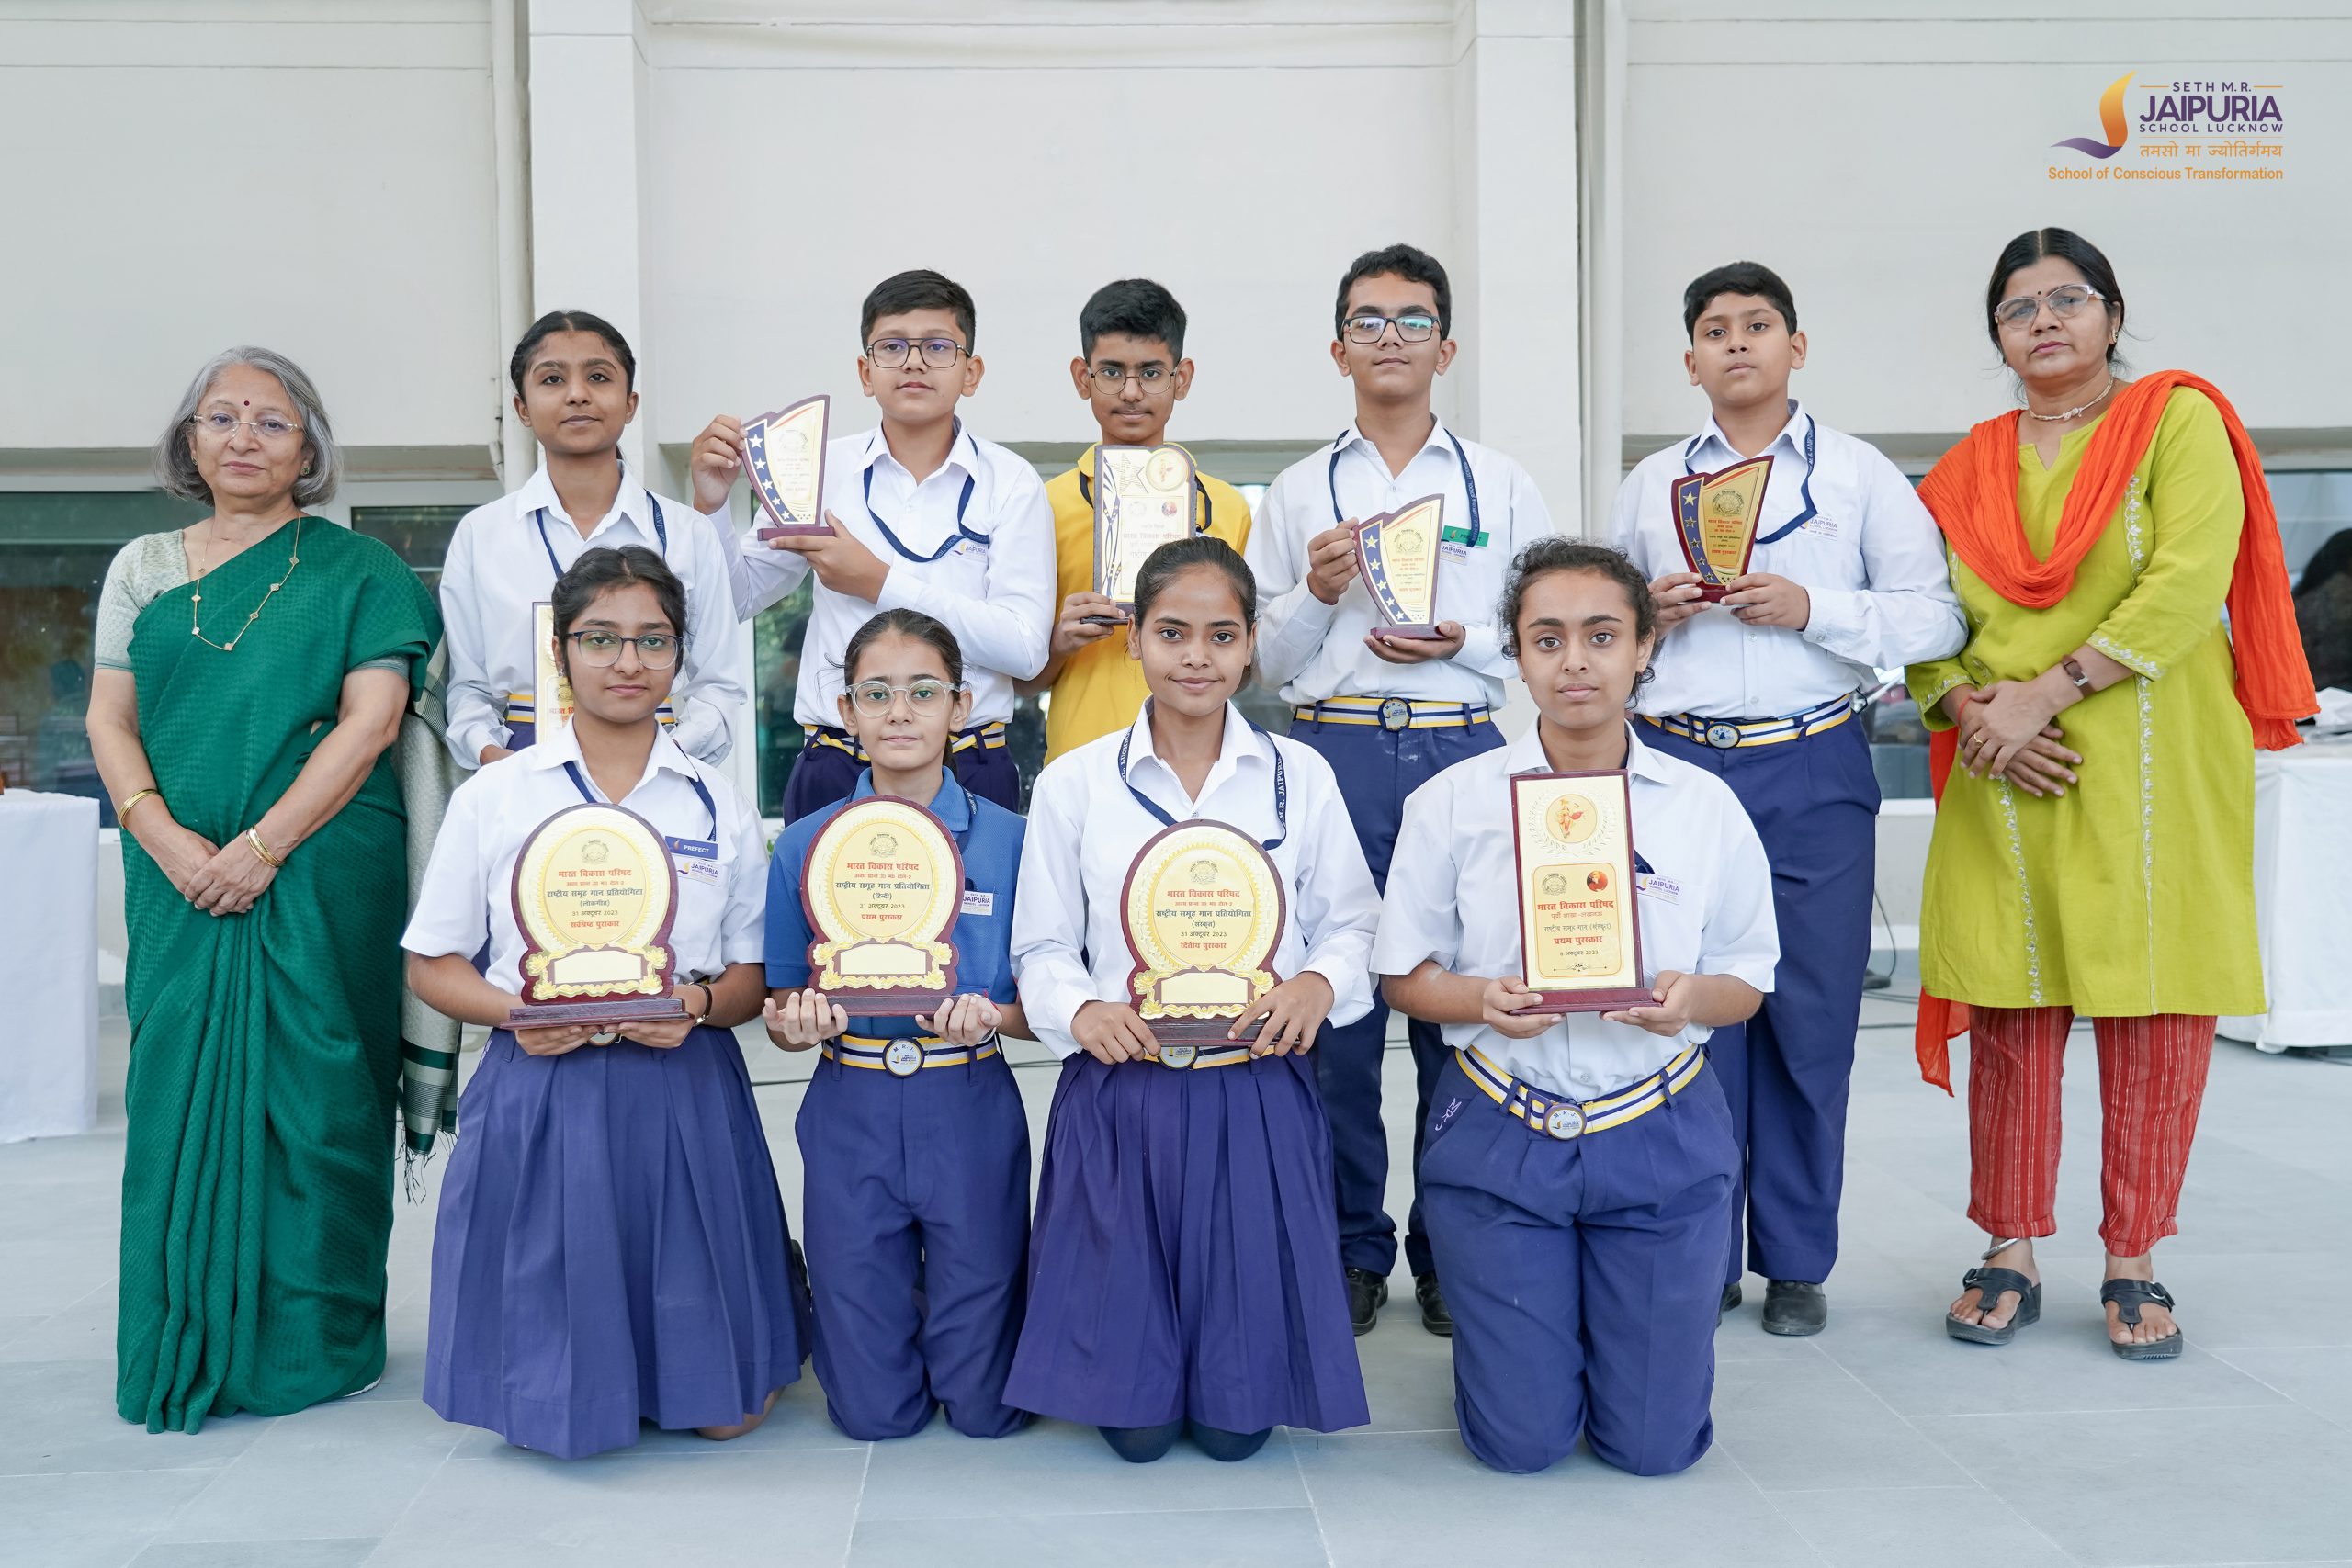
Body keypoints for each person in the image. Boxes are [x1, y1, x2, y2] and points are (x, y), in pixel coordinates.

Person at [1911, 228, 2315, 1359]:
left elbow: (2186, 581)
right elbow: (1922, 619)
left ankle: (2133, 1259)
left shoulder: (2176, 421)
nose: (2043, 320)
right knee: (2011, 1008)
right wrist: (1971, 712)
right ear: (1995, 335)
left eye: (2068, 298)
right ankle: (2008, 1248)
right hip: (2001, 765)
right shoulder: (1963, 471)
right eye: (2018, 307)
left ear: (2112, 314)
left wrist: (2043, 695)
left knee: (2155, 1011)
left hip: (2151, 759)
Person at [1607, 262, 1966, 1336]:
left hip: (1811, 763)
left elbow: (1936, 617)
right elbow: (1597, 626)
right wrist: (1649, 616)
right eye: (1714, 330)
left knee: (1809, 1018)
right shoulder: (1652, 485)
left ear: (1795, 346)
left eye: (1756, 325)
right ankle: (1701, 1249)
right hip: (1677, 769)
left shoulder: (1857, 475)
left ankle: (1798, 1261)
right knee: (1686, 1014)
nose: (1736, 344)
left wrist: (1817, 608)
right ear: (1689, 362)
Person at [87, 348, 439, 1432]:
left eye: (272, 421)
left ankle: (317, 1345)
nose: (243, 437)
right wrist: (165, 839)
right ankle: (181, 1334)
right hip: (176, 878)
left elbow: (372, 721)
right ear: (188, 439)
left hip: (322, 871)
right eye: (221, 417)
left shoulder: (360, 570)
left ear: (310, 449)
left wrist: (263, 847)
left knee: (325, 1098)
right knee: (173, 1096)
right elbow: (110, 718)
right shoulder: (144, 566)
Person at [1374, 538, 1778, 1474]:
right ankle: (1531, 1346)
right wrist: (1480, 998)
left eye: (1602, 636)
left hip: (1659, 1132)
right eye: (1547, 639)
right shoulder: (1452, 801)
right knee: (1520, 1443)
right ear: (1517, 657)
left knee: (1654, 1447)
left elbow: (1748, 980)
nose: (1575, 662)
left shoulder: (1703, 806)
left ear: (1644, 647)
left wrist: (1690, 998)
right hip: (1502, 1132)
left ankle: (1610, 1334)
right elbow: (1403, 976)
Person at [402, 546, 808, 1455]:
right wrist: (518, 1016)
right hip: (543, 1080)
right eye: (600, 639)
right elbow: (430, 964)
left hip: (682, 1083)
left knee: (726, 1415)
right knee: (559, 1410)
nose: (629, 661)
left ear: (680, 655)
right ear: (560, 652)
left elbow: (750, 980)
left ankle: (729, 1337)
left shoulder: (715, 802)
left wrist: (694, 1006)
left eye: (653, 640)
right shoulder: (497, 795)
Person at [1007, 536, 1376, 1462]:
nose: (1196, 657)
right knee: (1135, 1434)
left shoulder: (1300, 776)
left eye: (1221, 635)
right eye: (1172, 632)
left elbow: (1352, 924)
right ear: (1133, 638)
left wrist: (1317, 981)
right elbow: (1041, 944)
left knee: (1233, 1431)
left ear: (1250, 644)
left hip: (1253, 1084)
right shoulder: (1074, 782)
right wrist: (1078, 1010)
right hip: (1123, 1088)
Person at [1245, 243, 1556, 1338]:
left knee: (1458, 1018)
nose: (1390, 337)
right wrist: (1313, 592)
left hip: (1458, 753)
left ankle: (1448, 1248)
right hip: (1328, 755)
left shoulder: (1498, 484)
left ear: (1446, 348)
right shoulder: (1297, 490)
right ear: (1338, 349)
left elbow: (1546, 638)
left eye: (1412, 320)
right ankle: (1348, 1247)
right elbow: (1261, 664)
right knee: (1331, 1018)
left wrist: (1461, 639)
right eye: (1368, 321)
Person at [763, 609, 1033, 1441]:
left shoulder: (1016, 842)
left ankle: (942, 1304)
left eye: (924, 691)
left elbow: (1048, 1007)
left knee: (988, 1411)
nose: (900, 712)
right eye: (876, 694)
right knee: (871, 1416)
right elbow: (780, 1006)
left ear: (962, 705)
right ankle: (874, 1297)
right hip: (852, 1099)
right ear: (846, 711)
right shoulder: (803, 846)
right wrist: (795, 1025)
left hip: (968, 1098)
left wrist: (995, 1015)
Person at [692, 269, 1054, 817]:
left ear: (971, 372)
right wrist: (713, 505)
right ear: (866, 372)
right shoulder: (819, 467)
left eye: (938, 346)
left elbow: (1026, 650)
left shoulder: (1011, 481)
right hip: (837, 762)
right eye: (892, 347)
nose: (914, 362)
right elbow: (735, 601)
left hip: (970, 762)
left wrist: (877, 583)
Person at [439, 310, 746, 767]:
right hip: (522, 761)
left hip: (657, 759)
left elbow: (717, 686)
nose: (577, 394)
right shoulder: (481, 535)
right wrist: (498, 761)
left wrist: (662, 760)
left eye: (598, 377)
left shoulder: (689, 533)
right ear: (522, 408)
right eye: (552, 379)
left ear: (630, 404)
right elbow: (468, 688)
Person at [1026, 277, 1254, 763]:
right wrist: (1060, 643)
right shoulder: (1043, 505)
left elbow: (1247, 665)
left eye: (1151, 373)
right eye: (1111, 372)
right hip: (1081, 759)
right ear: (1082, 377)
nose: (1131, 392)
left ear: (1182, 378)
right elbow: (1022, 681)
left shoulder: (1228, 507)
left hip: (1202, 764)